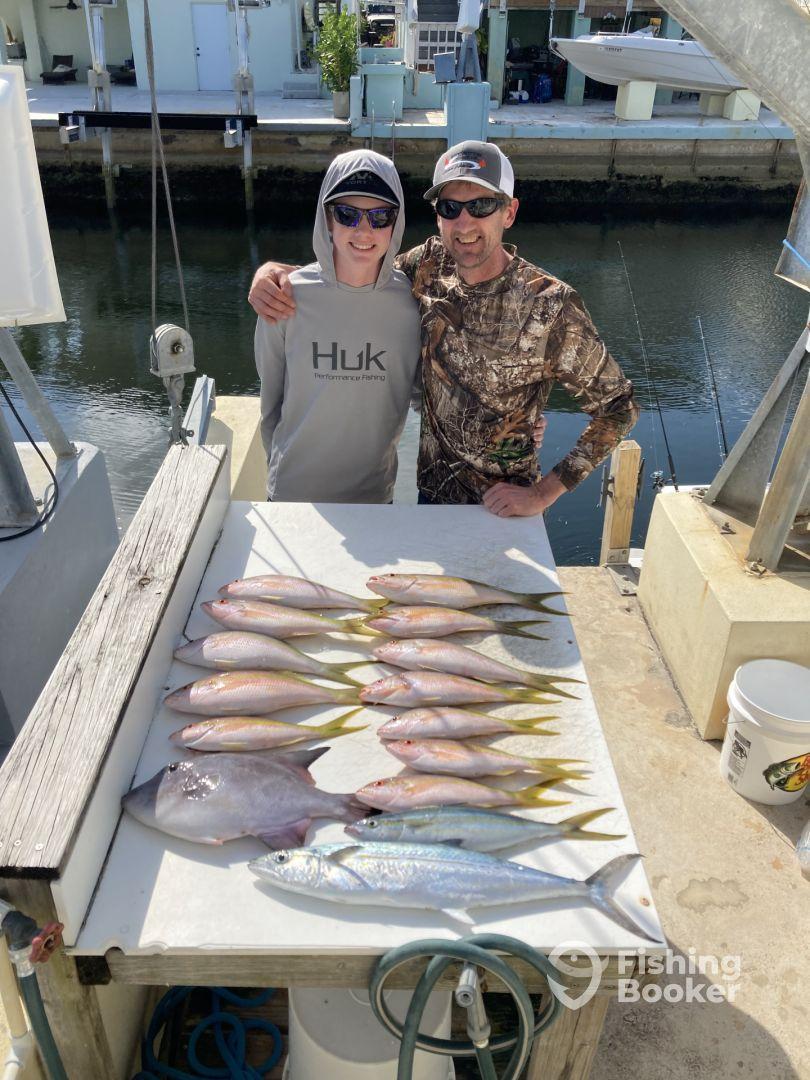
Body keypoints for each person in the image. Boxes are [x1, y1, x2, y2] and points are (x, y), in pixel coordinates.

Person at [249, 140, 630, 515]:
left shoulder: (551, 303)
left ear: (509, 212)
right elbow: (357, 269)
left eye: (481, 205)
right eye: (451, 208)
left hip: (507, 505)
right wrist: (276, 273)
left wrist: (545, 493)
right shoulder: (427, 266)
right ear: (438, 216)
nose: (465, 223)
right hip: (430, 497)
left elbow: (619, 408)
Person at [255, 149, 421, 503]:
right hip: (291, 497)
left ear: (397, 221)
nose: (364, 230)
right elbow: (270, 403)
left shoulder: (415, 305)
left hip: (374, 499)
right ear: (327, 219)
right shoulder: (283, 297)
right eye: (347, 214)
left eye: (380, 216)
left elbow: (431, 397)